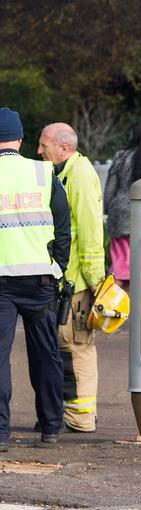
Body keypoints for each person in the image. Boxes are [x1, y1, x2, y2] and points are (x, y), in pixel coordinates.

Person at [0, 108, 71, 450]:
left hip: (1, 282)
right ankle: (50, 427)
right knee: (46, 354)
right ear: (20, 138)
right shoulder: (43, 173)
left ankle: (0, 433)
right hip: (40, 280)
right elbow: (63, 228)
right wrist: (60, 268)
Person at [38, 122, 104, 433]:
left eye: (44, 145)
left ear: (64, 148)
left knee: (76, 348)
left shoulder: (79, 175)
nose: (39, 151)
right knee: (63, 347)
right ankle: (69, 413)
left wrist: (95, 280)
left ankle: (81, 417)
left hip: (77, 281)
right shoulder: (65, 173)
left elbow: (91, 232)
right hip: (66, 279)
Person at [103, 124, 141, 288]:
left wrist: (107, 209)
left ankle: (112, 302)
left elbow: (110, 187)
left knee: (120, 258)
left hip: (120, 211)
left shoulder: (121, 157)